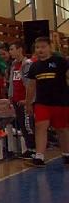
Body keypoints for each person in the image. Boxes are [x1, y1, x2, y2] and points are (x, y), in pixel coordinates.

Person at [23, 36, 69, 166]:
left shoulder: (60, 61)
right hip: (42, 103)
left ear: (50, 47)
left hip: (60, 102)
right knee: (40, 126)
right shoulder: (34, 66)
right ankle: (39, 157)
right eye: (37, 47)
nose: (40, 50)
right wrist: (28, 103)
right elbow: (31, 86)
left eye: (43, 47)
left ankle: (67, 154)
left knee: (62, 129)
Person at [7, 41, 34, 153]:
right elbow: (12, 82)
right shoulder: (13, 65)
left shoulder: (27, 64)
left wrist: (28, 100)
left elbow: (29, 83)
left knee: (28, 126)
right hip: (16, 99)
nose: (10, 52)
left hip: (25, 100)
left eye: (12, 49)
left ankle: (34, 149)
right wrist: (10, 96)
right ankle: (29, 148)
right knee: (22, 125)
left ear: (20, 49)